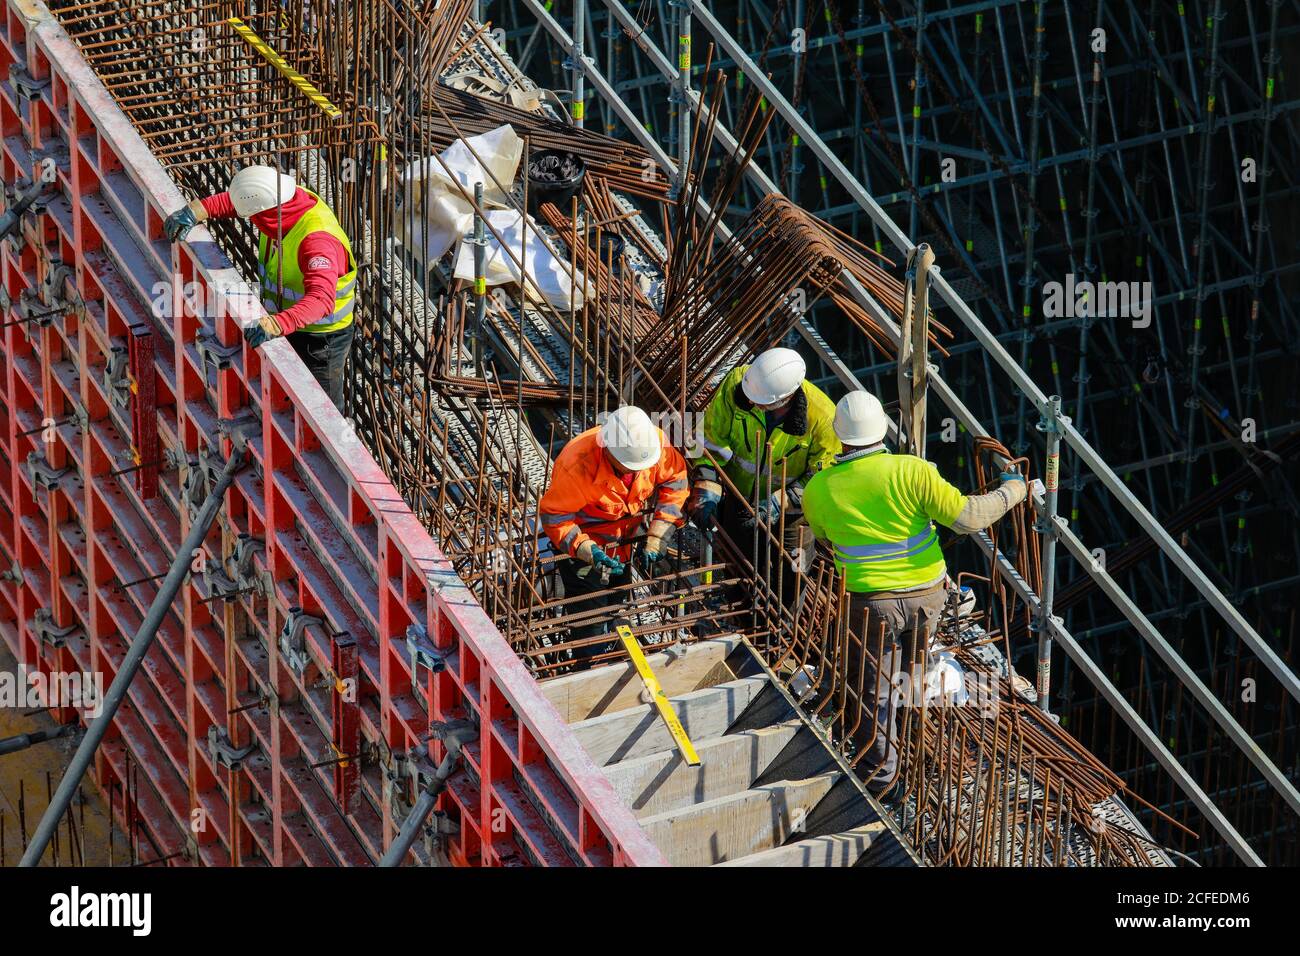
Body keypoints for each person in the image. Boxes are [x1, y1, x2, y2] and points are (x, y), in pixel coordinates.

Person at [801, 390, 1027, 793]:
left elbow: (822, 539)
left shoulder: (819, 488)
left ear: (840, 436)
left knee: (875, 686)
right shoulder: (914, 470)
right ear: (881, 432)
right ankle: (915, 738)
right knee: (915, 671)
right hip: (928, 596)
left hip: (870, 604)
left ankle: (883, 776)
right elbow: (969, 518)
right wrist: (1014, 490)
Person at [163, 165, 357, 407]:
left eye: (253, 216)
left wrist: (278, 323)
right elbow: (240, 202)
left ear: (264, 214)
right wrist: (198, 210)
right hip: (286, 321)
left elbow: (321, 300)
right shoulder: (285, 198)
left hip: (320, 341)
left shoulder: (316, 243)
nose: (250, 220)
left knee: (321, 407)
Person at [685, 347, 839, 598]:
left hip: (794, 513)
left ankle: (784, 624)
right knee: (739, 563)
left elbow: (822, 479)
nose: (752, 404)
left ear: (786, 398)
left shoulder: (823, 419)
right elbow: (708, 439)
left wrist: (780, 503)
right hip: (740, 495)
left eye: (762, 403)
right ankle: (743, 616)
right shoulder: (739, 385)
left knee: (792, 573)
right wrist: (708, 485)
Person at [539, 406, 688, 660]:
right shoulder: (578, 464)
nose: (634, 472)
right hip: (587, 550)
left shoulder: (651, 445)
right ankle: (590, 662)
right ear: (607, 450)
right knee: (591, 614)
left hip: (624, 543)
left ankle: (614, 647)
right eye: (627, 468)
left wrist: (658, 533)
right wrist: (586, 551)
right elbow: (555, 518)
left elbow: (676, 480)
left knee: (618, 601)